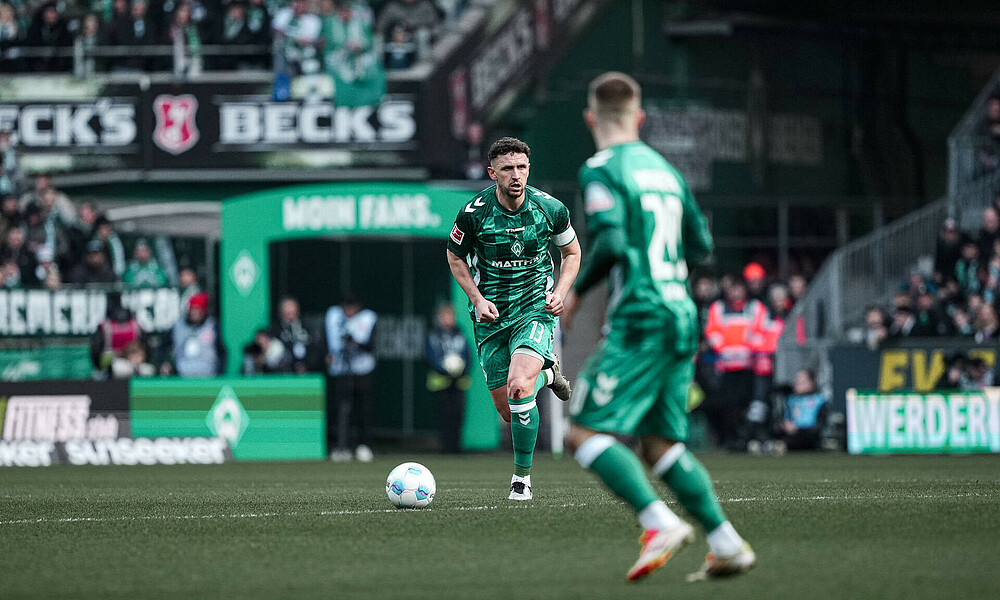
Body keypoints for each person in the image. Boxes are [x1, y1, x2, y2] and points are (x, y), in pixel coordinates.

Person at [561, 72, 754, 582]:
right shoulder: (667, 171)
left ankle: (658, 523)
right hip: (681, 311)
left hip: (642, 315)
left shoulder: (601, 167)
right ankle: (727, 543)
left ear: (590, 119)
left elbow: (613, 241)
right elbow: (702, 246)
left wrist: (575, 292)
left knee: (580, 432)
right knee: (659, 442)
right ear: (640, 118)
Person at [446, 136, 580, 500]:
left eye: (521, 167)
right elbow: (454, 256)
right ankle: (549, 374)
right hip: (491, 317)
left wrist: (561, 294)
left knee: (520, 386)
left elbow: (571, 251)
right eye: (507, 169)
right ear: (493, 173)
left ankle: (521, 479)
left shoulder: (550, 209)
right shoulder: (473, 214)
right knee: (510, 409)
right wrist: (476, 298)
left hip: (534, 308)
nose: (516, 175)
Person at [703, 276, 762, 451]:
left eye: (739, 288)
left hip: (748, 365)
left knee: (747, 404)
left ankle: (745, 438)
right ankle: (730, 439)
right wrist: (723, 349)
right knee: (727, 405)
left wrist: (750, 349)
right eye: (733, 289)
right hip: (726, 366)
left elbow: (760, 332)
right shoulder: (718, 308)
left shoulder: (755, 307)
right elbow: (712, 332)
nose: (736, 292)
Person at [325, 292, 377, 462]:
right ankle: (341, 446)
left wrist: (355, 342)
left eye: (352, 307)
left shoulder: (367, 319)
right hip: (341, 370)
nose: (349, 311)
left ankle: (364, 445)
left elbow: (372, 345)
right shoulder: (334, 317)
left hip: (362, 370)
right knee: (342, 409)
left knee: (364, 410)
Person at [425, 302, 471, 454]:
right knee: (444, 415)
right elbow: (430, 356)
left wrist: (461, 370)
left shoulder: (460, 334)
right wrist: (445, 371)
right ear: (439, 317)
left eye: (450, 316)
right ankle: (444, 447)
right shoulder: (433, 335)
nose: (447, 319)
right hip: (440, 383)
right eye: (444, 316)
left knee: (458, 415)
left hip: (459, 383)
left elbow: (467, 355)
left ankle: (456, 447)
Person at [171, 292, 226, 376]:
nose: (195, 314)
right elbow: (164, 347)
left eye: (199, 311)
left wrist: (220, 372)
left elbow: (221, 351)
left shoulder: (211, 326)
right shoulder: (178, 325)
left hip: (208, 376)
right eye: (193, 310)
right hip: (182, 375)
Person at [90, 292, 143, 377]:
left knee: (147, 370)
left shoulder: (134, 324)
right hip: (113, 364)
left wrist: (137, 356)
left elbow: (145, 347)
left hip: (135, 361)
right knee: (117, 368)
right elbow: (96, 353)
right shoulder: (105, 326)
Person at [776, 369, 828, 451]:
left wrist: (798, 429)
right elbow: (786, 418)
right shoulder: (791, 400)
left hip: (807, 435)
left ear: (811, 383)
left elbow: (818, 426)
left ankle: (781, 445)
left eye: (801, 382)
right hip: (790, 433)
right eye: (796, 381)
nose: (797, 384)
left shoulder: (818, 400)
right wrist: (785, 425)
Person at [270, 295, 322, 373]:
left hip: (309, 371)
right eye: (287, 314)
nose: (290, 318)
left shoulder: (307, 328)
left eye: (293, 313)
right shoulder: (275, 331)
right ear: (281, 314)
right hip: (285, 373)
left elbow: (315, 349)